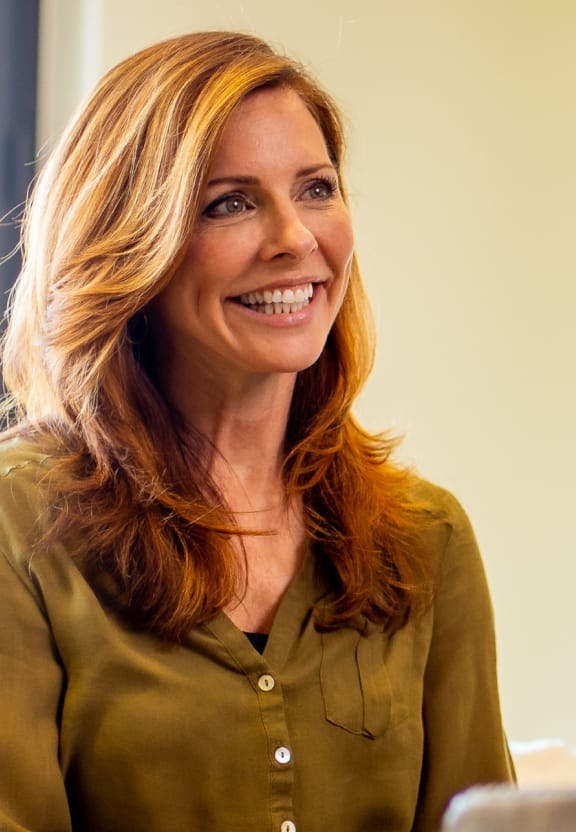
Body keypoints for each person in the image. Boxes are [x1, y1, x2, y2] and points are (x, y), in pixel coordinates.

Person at [0, 31, 513, 832]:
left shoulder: (427, 537)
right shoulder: (16, 526)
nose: (296, 239)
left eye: (316, 189)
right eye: (230, 202)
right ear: (132, 244)